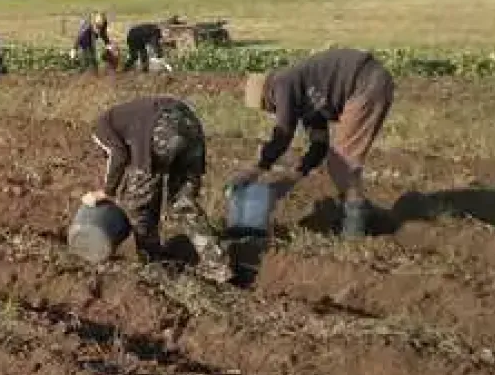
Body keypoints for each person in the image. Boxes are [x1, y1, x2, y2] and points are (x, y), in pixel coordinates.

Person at [233, 47, 395, 238]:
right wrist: (294, 176)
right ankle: (363, 213)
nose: (273, 112)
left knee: (342, 161)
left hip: (365, 81)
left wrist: (258, 167)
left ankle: (355, 228)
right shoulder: (306, 99)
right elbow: (319, 146)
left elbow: (284, 133)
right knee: (339, 161)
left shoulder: (283, 83)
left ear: (268, 96)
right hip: (370, 81)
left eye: (268, 107)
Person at [81, 96, 211, 264]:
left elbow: (118, 155)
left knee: (137, 205)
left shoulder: (100, 128)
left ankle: (152, 261)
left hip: (162, 127)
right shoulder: (126, 118)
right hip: (190, 123)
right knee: (184, 205)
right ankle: (217, 266)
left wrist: (106, 191)